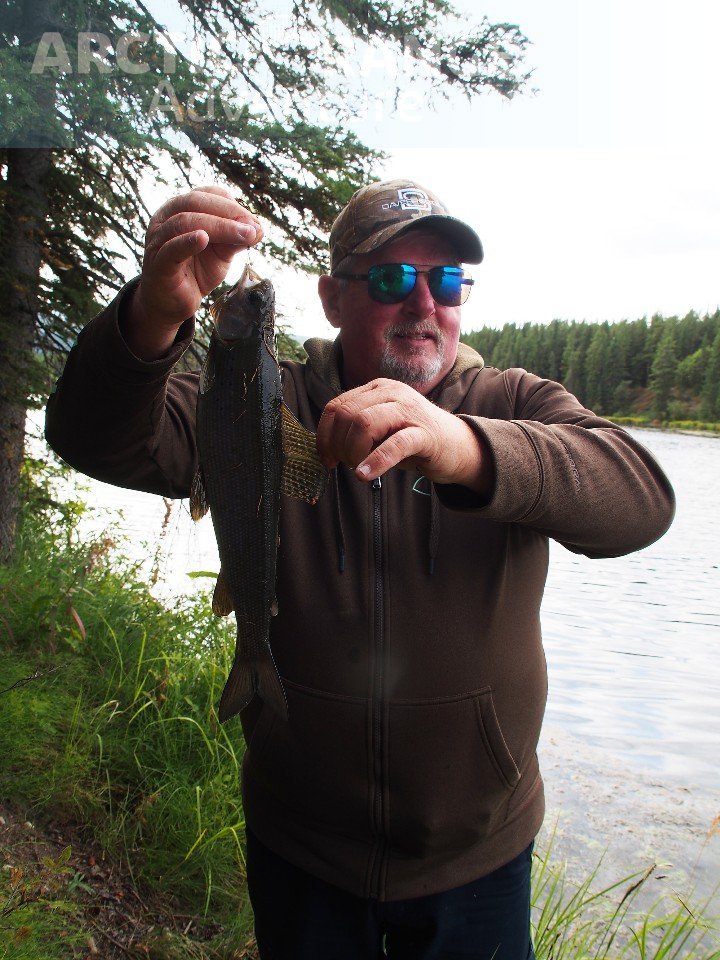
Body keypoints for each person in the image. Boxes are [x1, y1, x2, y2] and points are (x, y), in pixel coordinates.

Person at [45, 179, 675, 959]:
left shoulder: (516, 404)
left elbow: (642, 500)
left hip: (476, 859)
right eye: (389, 279)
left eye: (444, 279)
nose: (422, 303)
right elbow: (89, 435)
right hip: (301, 847)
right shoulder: (256, 400)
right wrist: (149, 320)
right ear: (334, 298)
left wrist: (466, 448)